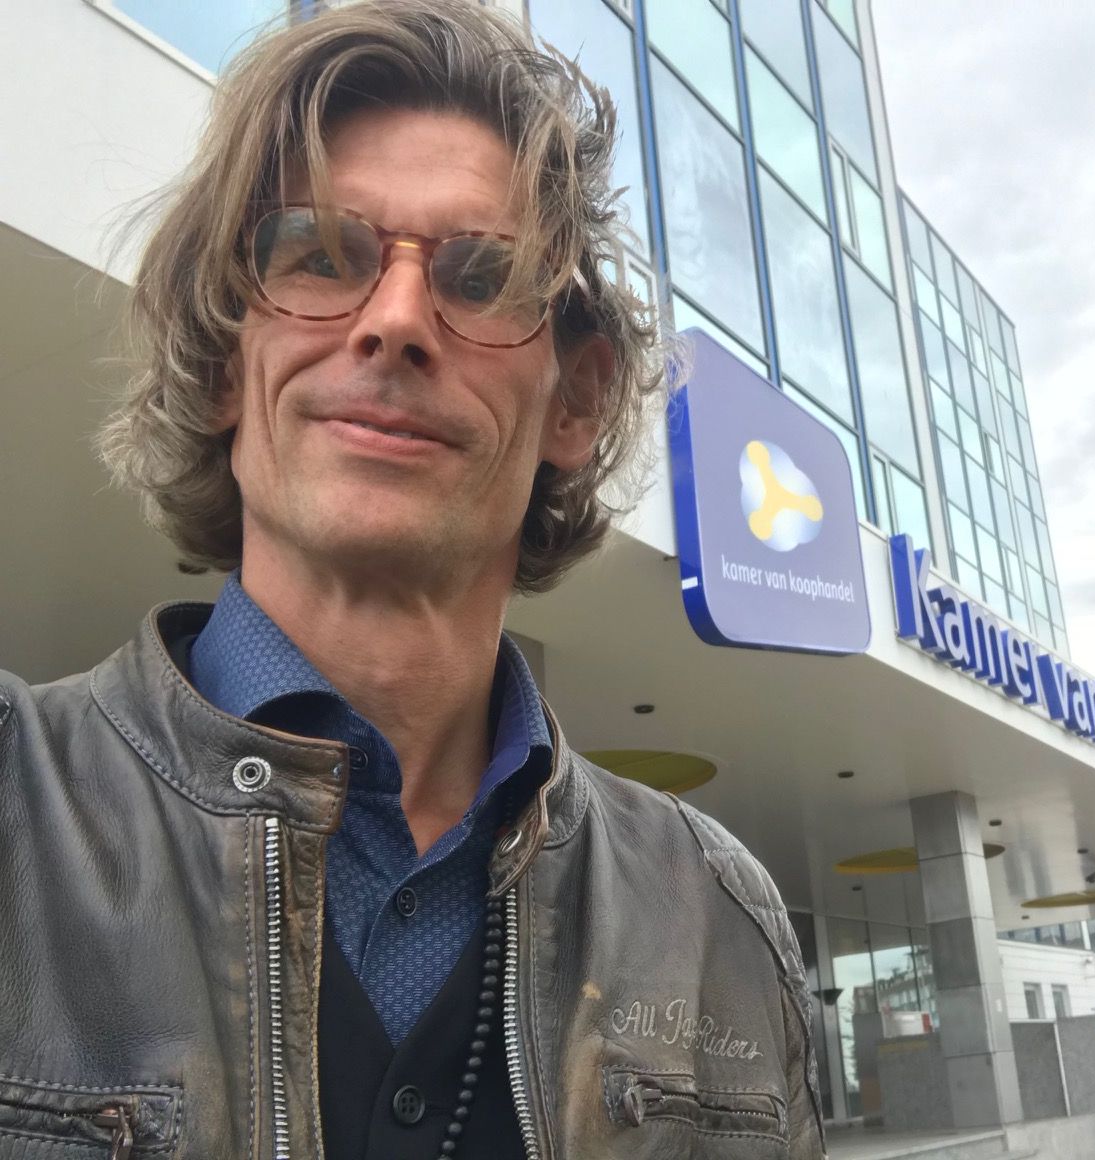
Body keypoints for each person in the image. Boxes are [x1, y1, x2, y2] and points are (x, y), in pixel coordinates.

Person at [0, 3, 825, 1158]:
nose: (394, 321)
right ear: (226, 356)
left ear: (577, 400)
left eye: (484, 277)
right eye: (318, 256)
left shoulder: (717, 913)